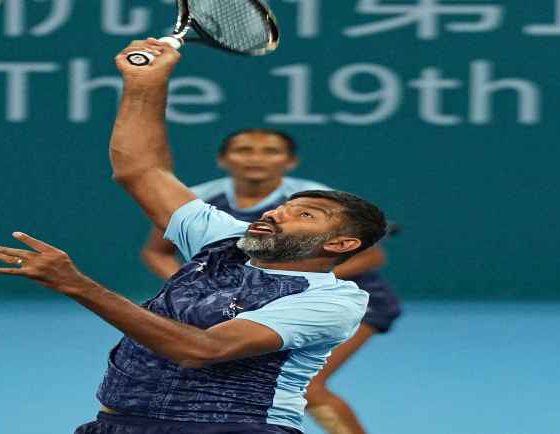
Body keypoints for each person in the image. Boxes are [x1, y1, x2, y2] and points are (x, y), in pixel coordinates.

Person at [0, 38, 389, 434]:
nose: (277, 212)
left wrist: (77, 285)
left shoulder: (330, 302)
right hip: (117, 424)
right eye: (283, 206)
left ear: (340, 244)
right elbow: (140, 170)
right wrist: (144, 85)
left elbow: (201, 350)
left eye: (304, 214)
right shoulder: (226, 240)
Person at [141, 128, 401, 434]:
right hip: (247, 303)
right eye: (245, 150)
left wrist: (281, 284)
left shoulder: (313, 199)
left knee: (311, 388)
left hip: (338, 299)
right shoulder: (198, 198)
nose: (256, 159)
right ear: (223, 159)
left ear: (290, 162)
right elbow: (156, 252)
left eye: (270, 151)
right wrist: (202, 288)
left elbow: (371, 257)